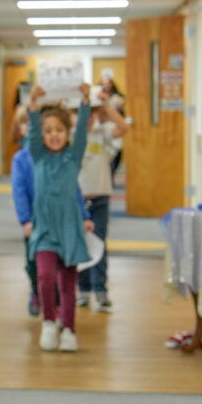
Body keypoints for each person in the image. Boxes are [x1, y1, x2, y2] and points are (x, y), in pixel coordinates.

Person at [27, 84, 92, 353]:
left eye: (59, 130)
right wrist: (33, 103)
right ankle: (49, 323)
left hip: (68, 230)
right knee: (44, 276)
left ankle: (69, 329)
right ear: (42, 136)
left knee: (67, 284)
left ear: (67, 134)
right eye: (48, 131)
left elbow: (82, 137)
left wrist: (86, 101)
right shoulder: (38, 157)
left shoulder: (72, 158)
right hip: (44, 231)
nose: (54, 135)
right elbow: (32, 131)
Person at [10, 104, 92, 317]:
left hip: (63, 221)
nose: (32, 129)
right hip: (37, 222)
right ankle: (36, 294)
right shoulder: (23, 158)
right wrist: (25, 220)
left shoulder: (63, 158)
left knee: (61, 270)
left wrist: (83, 215)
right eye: (28, 124)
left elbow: (73, 190)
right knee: (35, 266)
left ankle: (57, 306)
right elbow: (19, 191)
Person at [78, 89, 128, 312]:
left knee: (99, 243)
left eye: (92, 112)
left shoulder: (103, 131)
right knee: (79, 244)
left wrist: (106, 107)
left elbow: (124, 127)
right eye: (84, 112)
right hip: (77, 199)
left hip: (100, 196)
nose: (88, 117)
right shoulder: (72, 133)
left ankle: (101, 291)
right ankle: (83, 291)